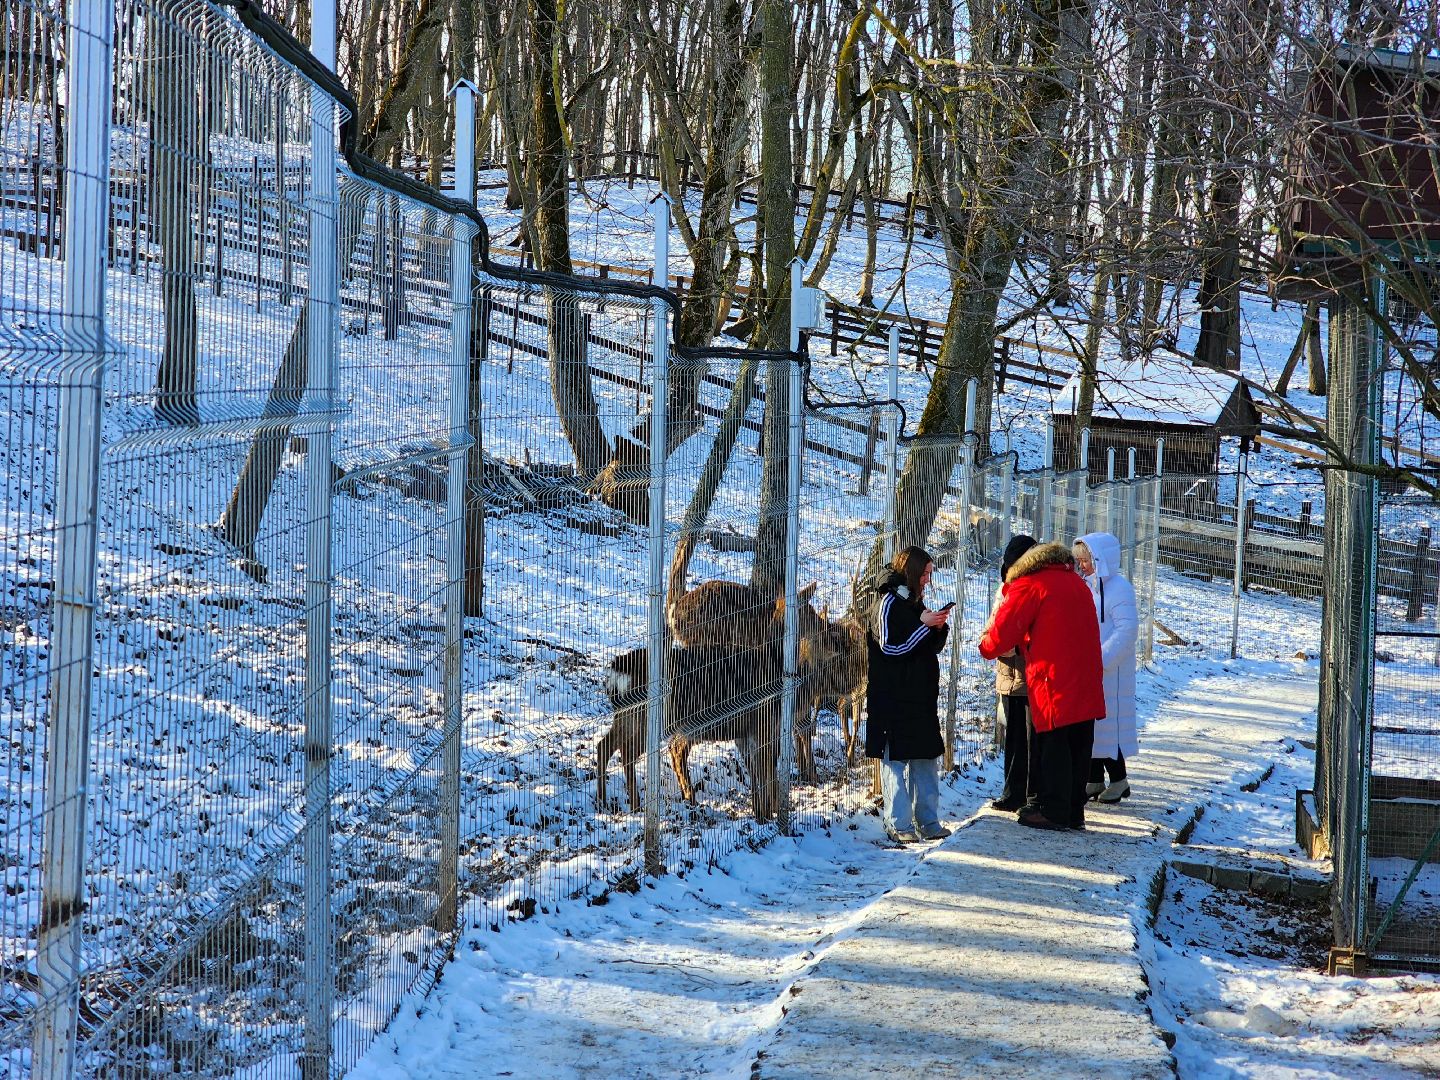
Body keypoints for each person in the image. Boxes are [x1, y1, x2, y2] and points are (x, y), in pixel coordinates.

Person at [977, 542, 1105, 830]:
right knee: (1079, 742)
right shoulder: (1076, 582)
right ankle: (1074, 812)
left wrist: (985, 646)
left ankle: (1054, 810)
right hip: (1085, 676)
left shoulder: (1030, 585)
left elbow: (1003, 632)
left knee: (1053, 744)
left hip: (1053, 678)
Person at [865, 546, 953, 844]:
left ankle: (928, 821)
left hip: (921, 698)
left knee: (926, 758)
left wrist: (937, 628)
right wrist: (923, 626)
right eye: (925, 573)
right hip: (893, 698)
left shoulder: (913, 600)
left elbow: (925, 646)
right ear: (912, 572)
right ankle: (898, 823)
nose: (928, 580)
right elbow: (890, 648)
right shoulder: (888, 602)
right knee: (895, 761)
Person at [1073, 533, 1139, 804]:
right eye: (1079, 561)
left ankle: (1119, 780)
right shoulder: (1088, 587)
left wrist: (1101, 660)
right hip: (1090, 667)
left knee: (1110, 726)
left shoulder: (1120, 589)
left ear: (1101, 559)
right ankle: (1094, 778)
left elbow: (1127, 630)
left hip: (1111, 670)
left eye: (1086, 560)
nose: (1082, 566)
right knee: (1092, 725)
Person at [987, 535, 1039, 812]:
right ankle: (1013, 792)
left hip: (1031, 673)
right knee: (1015, 736)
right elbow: (993, 628)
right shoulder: (1005, 589)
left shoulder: (1034, 588)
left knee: (1032, 738)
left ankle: (1031, 794)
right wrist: (1000, 644)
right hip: (1009, 672)